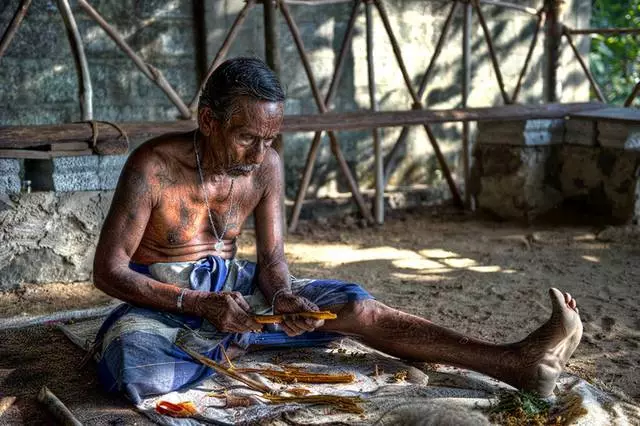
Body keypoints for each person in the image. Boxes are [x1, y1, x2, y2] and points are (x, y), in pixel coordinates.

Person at [92, 57, 582, 404]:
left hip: (241, 296)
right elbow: (109, 271)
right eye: (245, 137)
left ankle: (512, 363)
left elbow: (271, 262)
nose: (259, 154)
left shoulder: (266, 165)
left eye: (269, 139)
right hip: (169, 303)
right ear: (208, 121)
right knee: (137, 365)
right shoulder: (153, 166)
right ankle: (236, 342)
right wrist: (196, 304)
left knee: (355, 306)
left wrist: (282, 296)